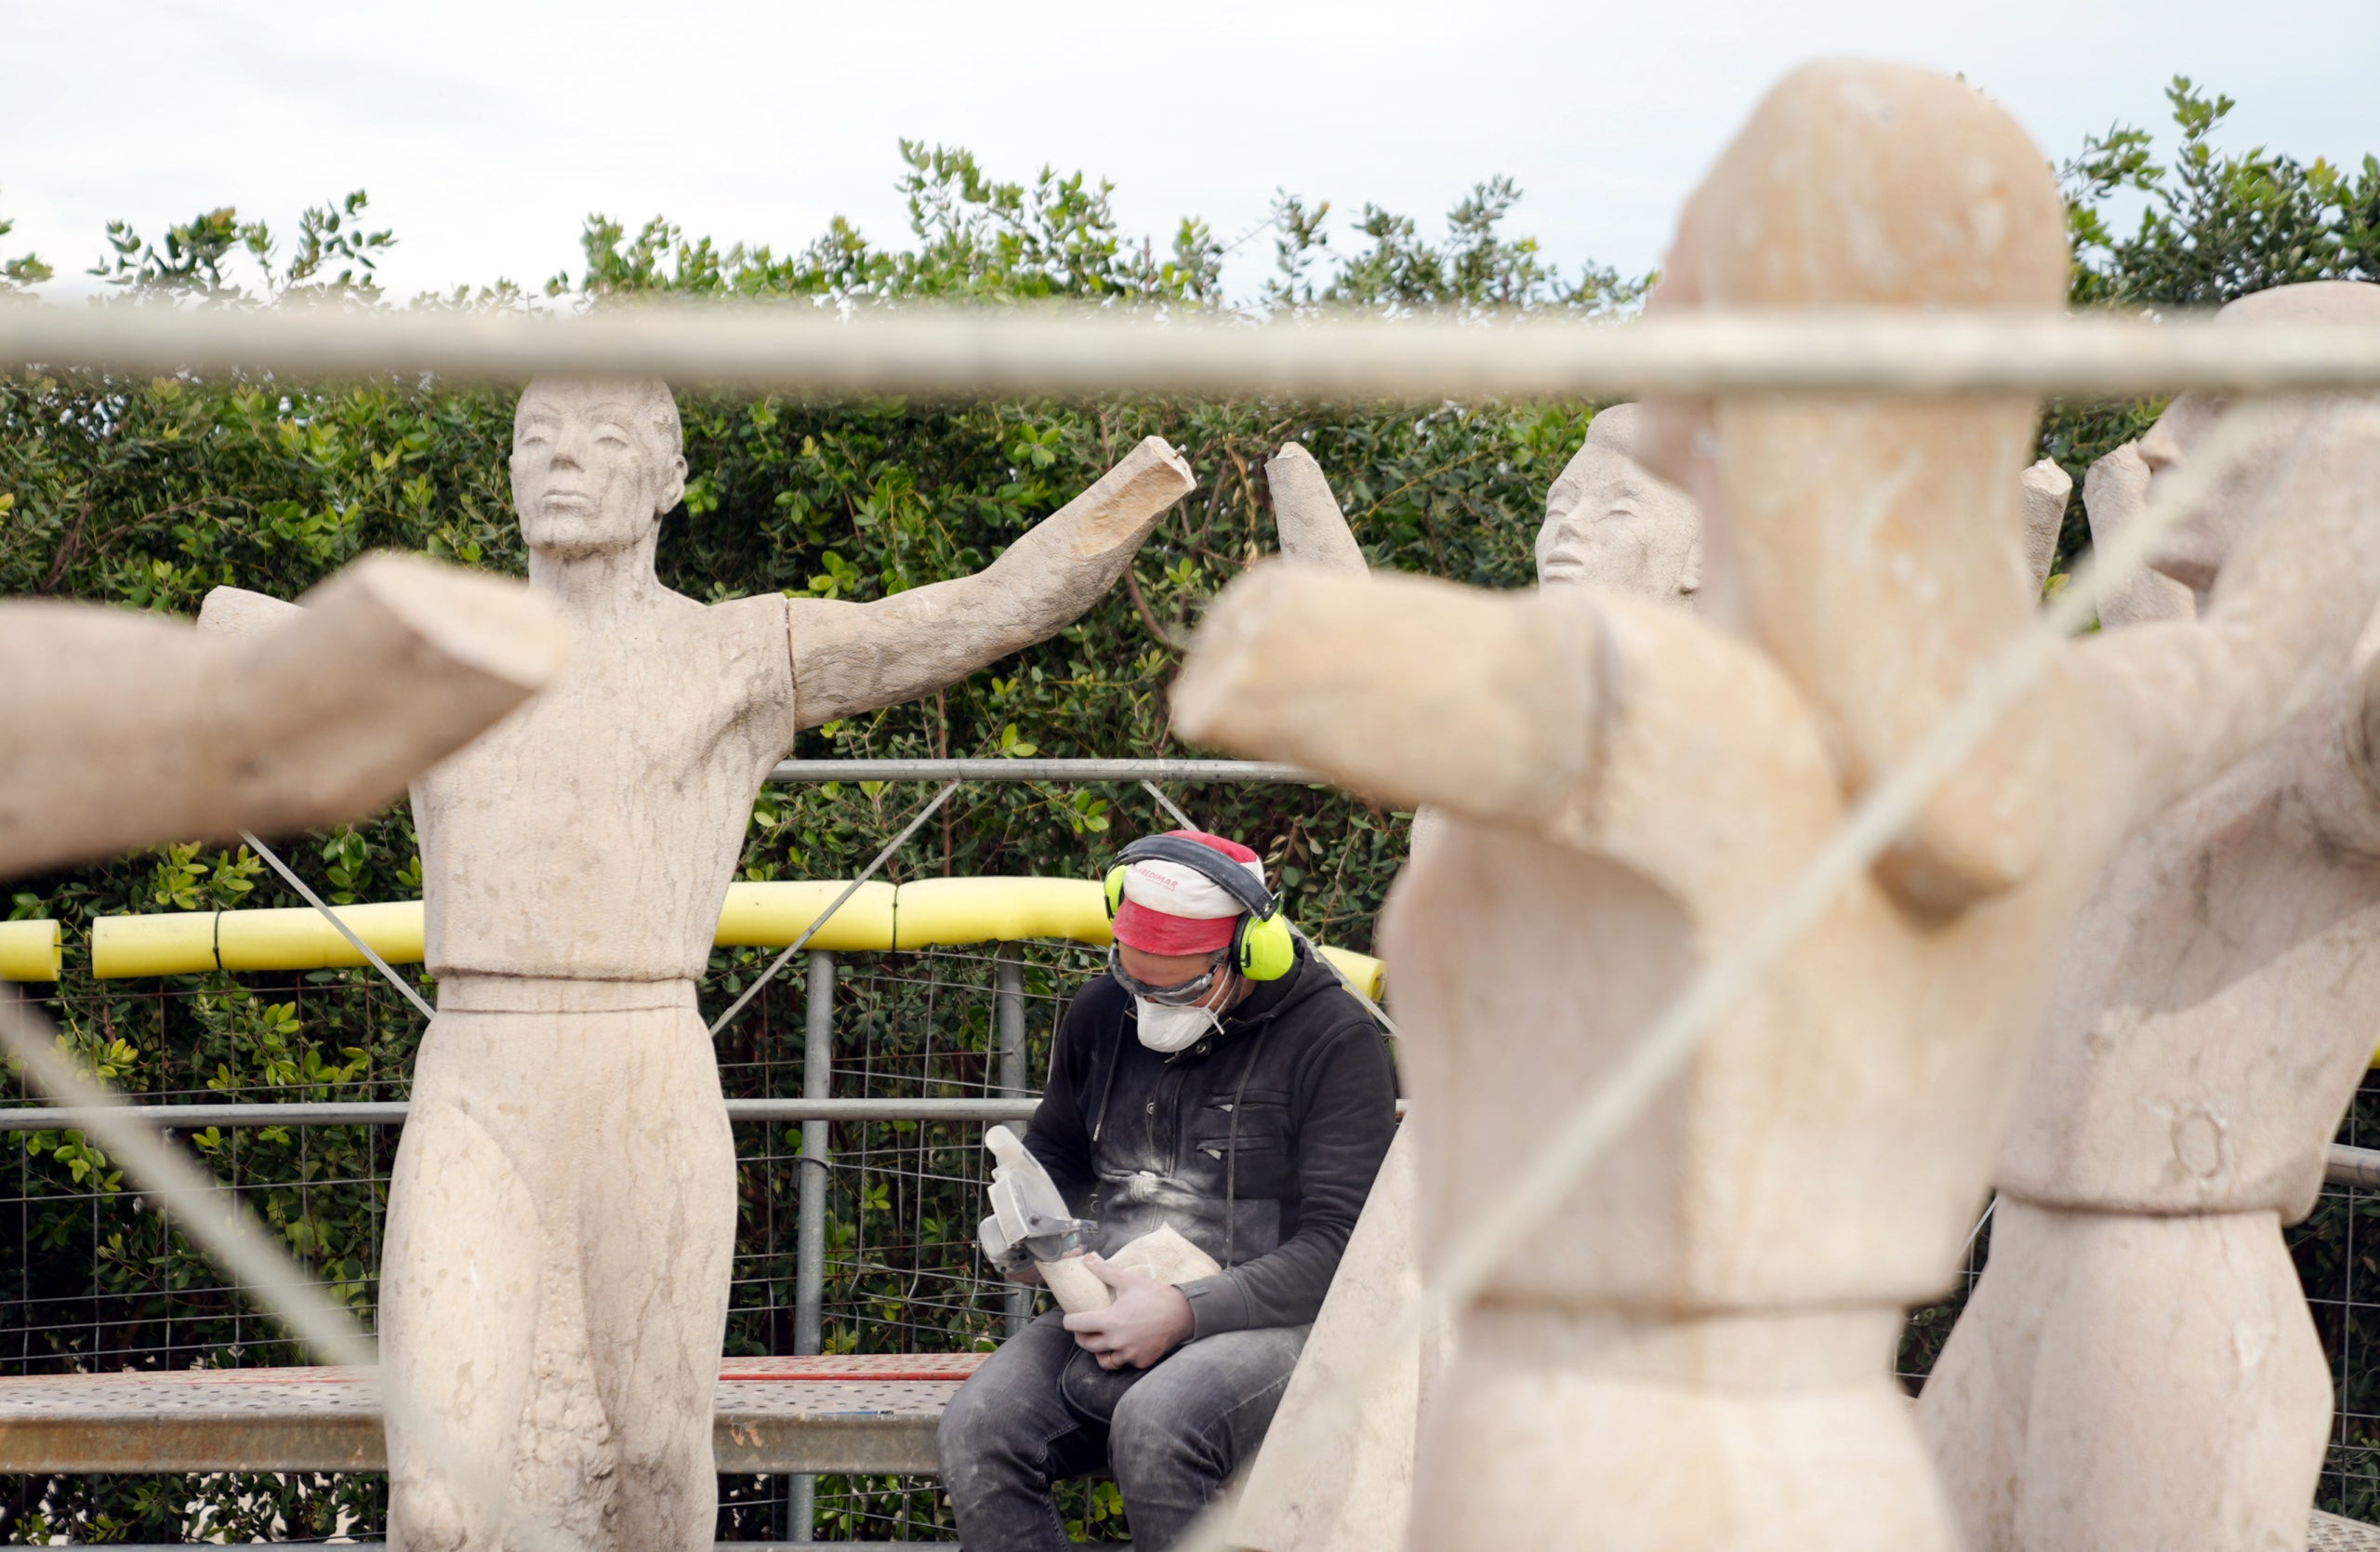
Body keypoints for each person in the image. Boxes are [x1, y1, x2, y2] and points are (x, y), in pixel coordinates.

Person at [937, 829, 1398, 1551]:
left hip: (1284, 1327)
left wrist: (1185, 1310)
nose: (1150, 1004)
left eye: (1178, 986)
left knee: (1157, 1425)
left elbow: (1344, 1248)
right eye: (1134, 979)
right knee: (978, 1428)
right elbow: (1056, 1150)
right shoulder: (1098, 1014)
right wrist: (1022, 1233)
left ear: (1251, 952)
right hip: (1120, 1306)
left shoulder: (1334, 1041)